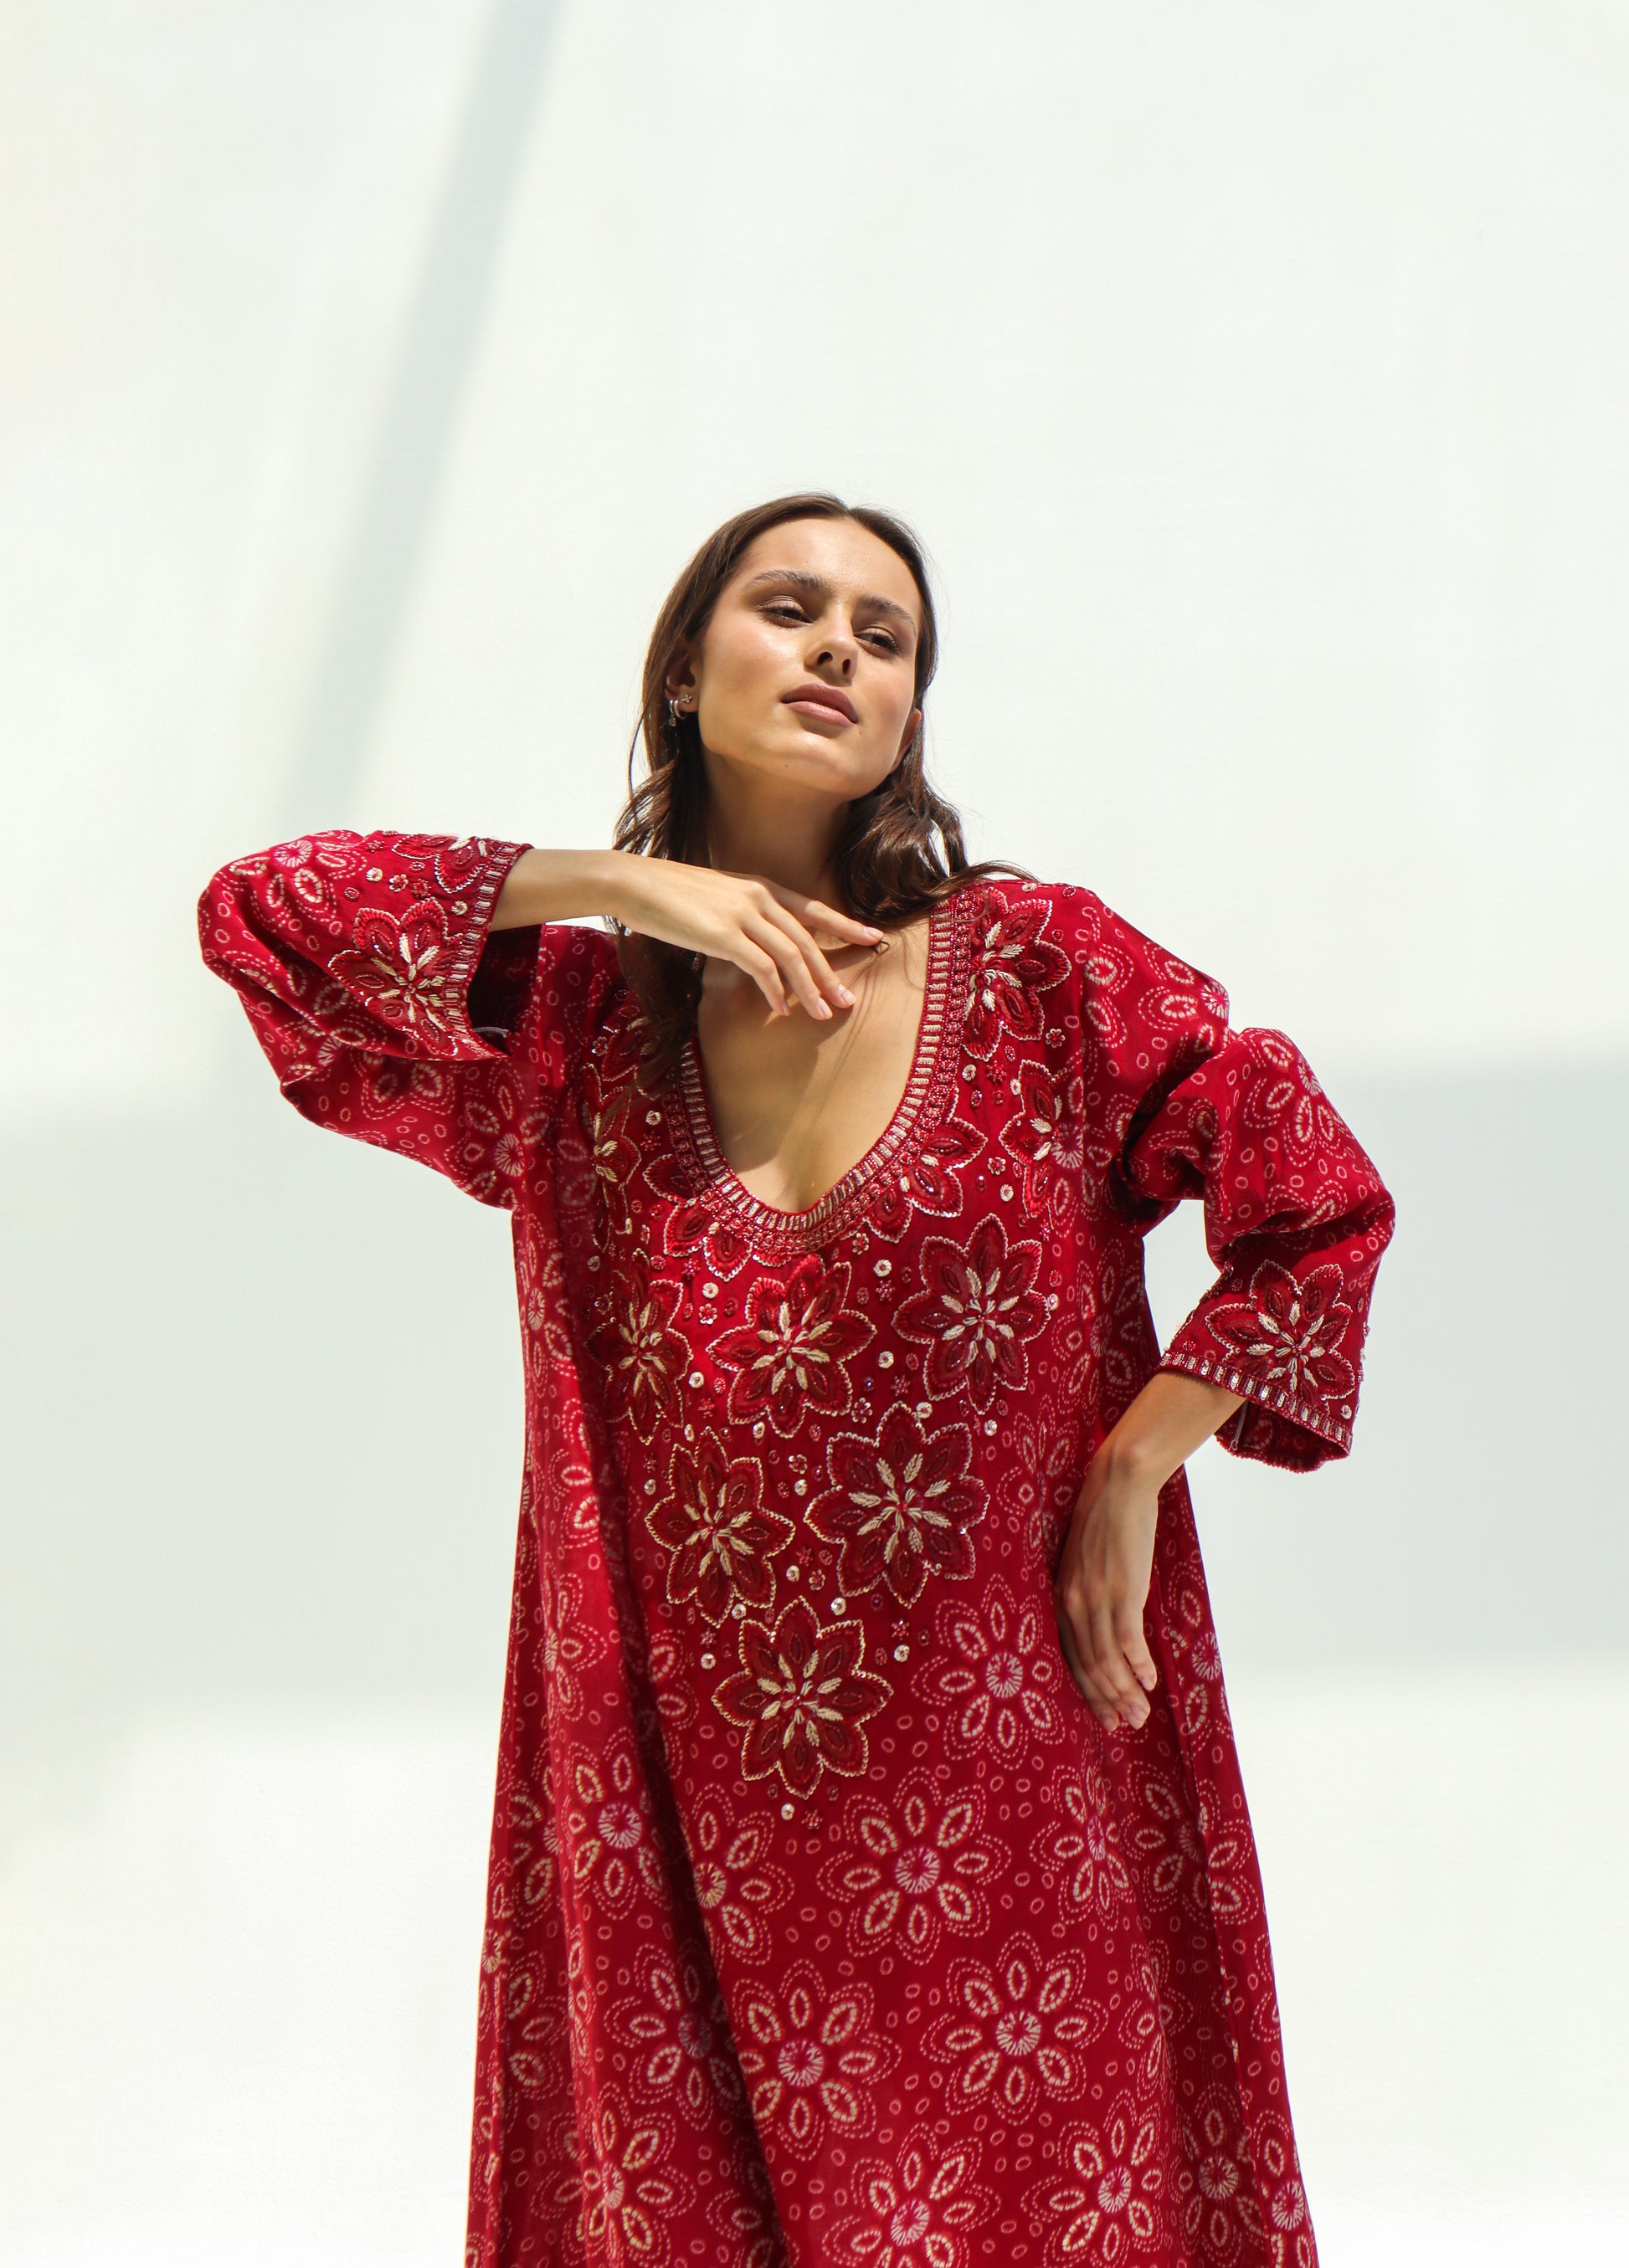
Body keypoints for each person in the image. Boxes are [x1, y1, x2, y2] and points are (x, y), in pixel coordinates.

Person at [198, 492, 1394, 2268]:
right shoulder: (577, 1030)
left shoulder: (1045, 972)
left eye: (883, 634)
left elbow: (1315, 1201)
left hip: (1011, 1768)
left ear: (909, 714)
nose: (838, 643)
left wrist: (1135, 1461)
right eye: (787, 605)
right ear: (685, 670)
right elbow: (267, 915)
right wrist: (619, 883)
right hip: (680, 1810)